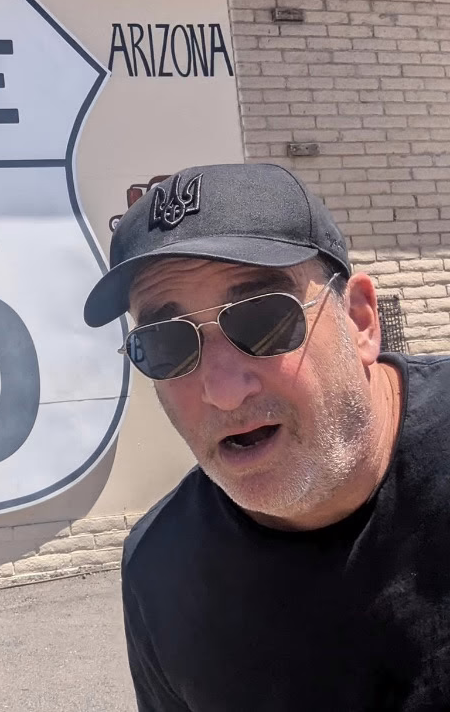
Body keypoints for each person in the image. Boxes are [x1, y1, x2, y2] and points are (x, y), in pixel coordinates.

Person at [84, 162, 450, 711]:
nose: (223, 391)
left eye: (263, 321)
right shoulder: (160, 571)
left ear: (359, 321)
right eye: (166, 344)